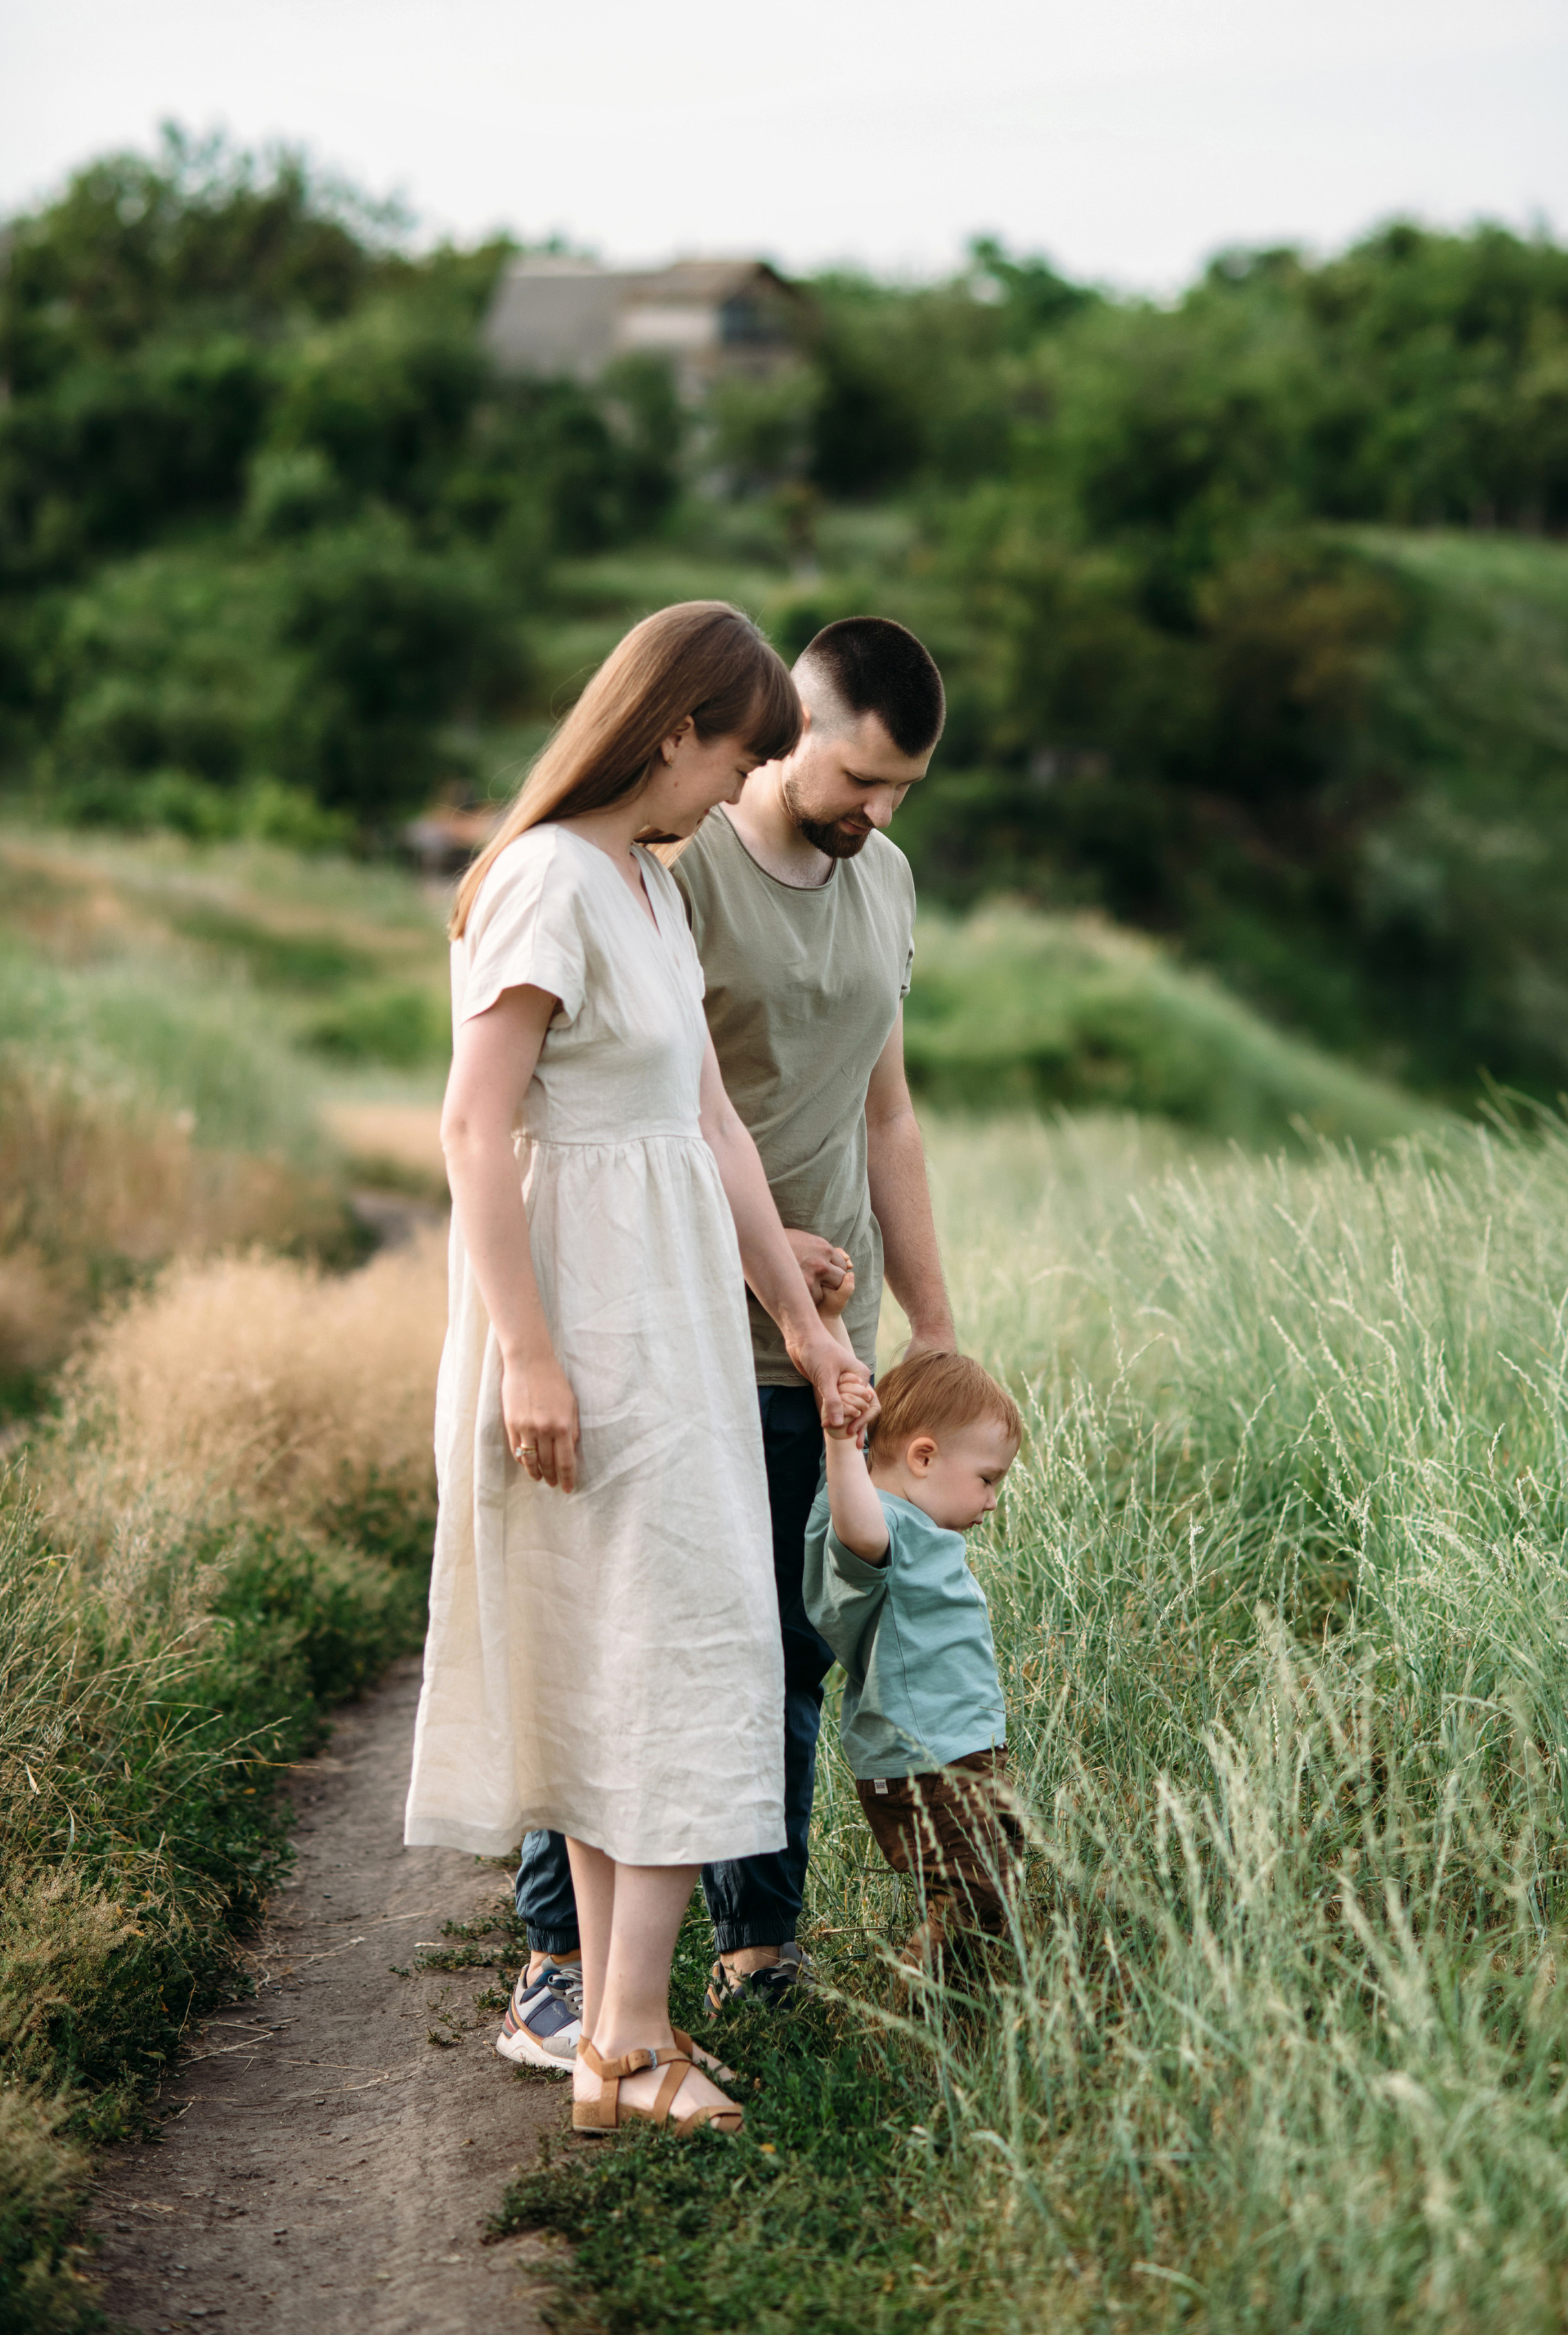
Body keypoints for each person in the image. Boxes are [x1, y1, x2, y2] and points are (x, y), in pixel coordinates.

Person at [404, 600, 868, 2138]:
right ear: (672, 731)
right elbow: (475, 1128)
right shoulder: (543, 880)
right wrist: (528, 1356)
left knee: (644, 1648)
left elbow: (710, 1124)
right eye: (733, 755)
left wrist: (795, 1318)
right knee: (687, 1638)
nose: (731, 791)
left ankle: (619, 2034)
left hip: (672, 1308)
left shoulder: (649, 887)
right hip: (588, 1315)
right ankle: (623, 2032)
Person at [503, 615, 958, 2063]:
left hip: (827, 1342)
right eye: (860, 780)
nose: (876, 815)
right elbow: (624, 1101)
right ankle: (557, 1958)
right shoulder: (669, 863)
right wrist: (758, 1270)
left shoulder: (881, 883)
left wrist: (927, 1321)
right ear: (789, 733)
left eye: (902, 793)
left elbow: (888, 1116)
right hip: (672, 1315)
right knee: (626, 1635)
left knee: (788, 1646)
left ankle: (758, 1943)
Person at [804, 1346, 1024, 1983]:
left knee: (991, 1880)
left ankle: (953, 2000)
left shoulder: (920, 1525)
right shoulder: (876, 1525)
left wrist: (835, 1318)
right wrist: (843, 1441)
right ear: (924, 1458)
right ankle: (917, 1995)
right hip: (926, 1759)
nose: (992, 1501)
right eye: (988, 1479)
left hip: (961, 1751)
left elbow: (845, 1378)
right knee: (977, 1889)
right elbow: (859, 1527)